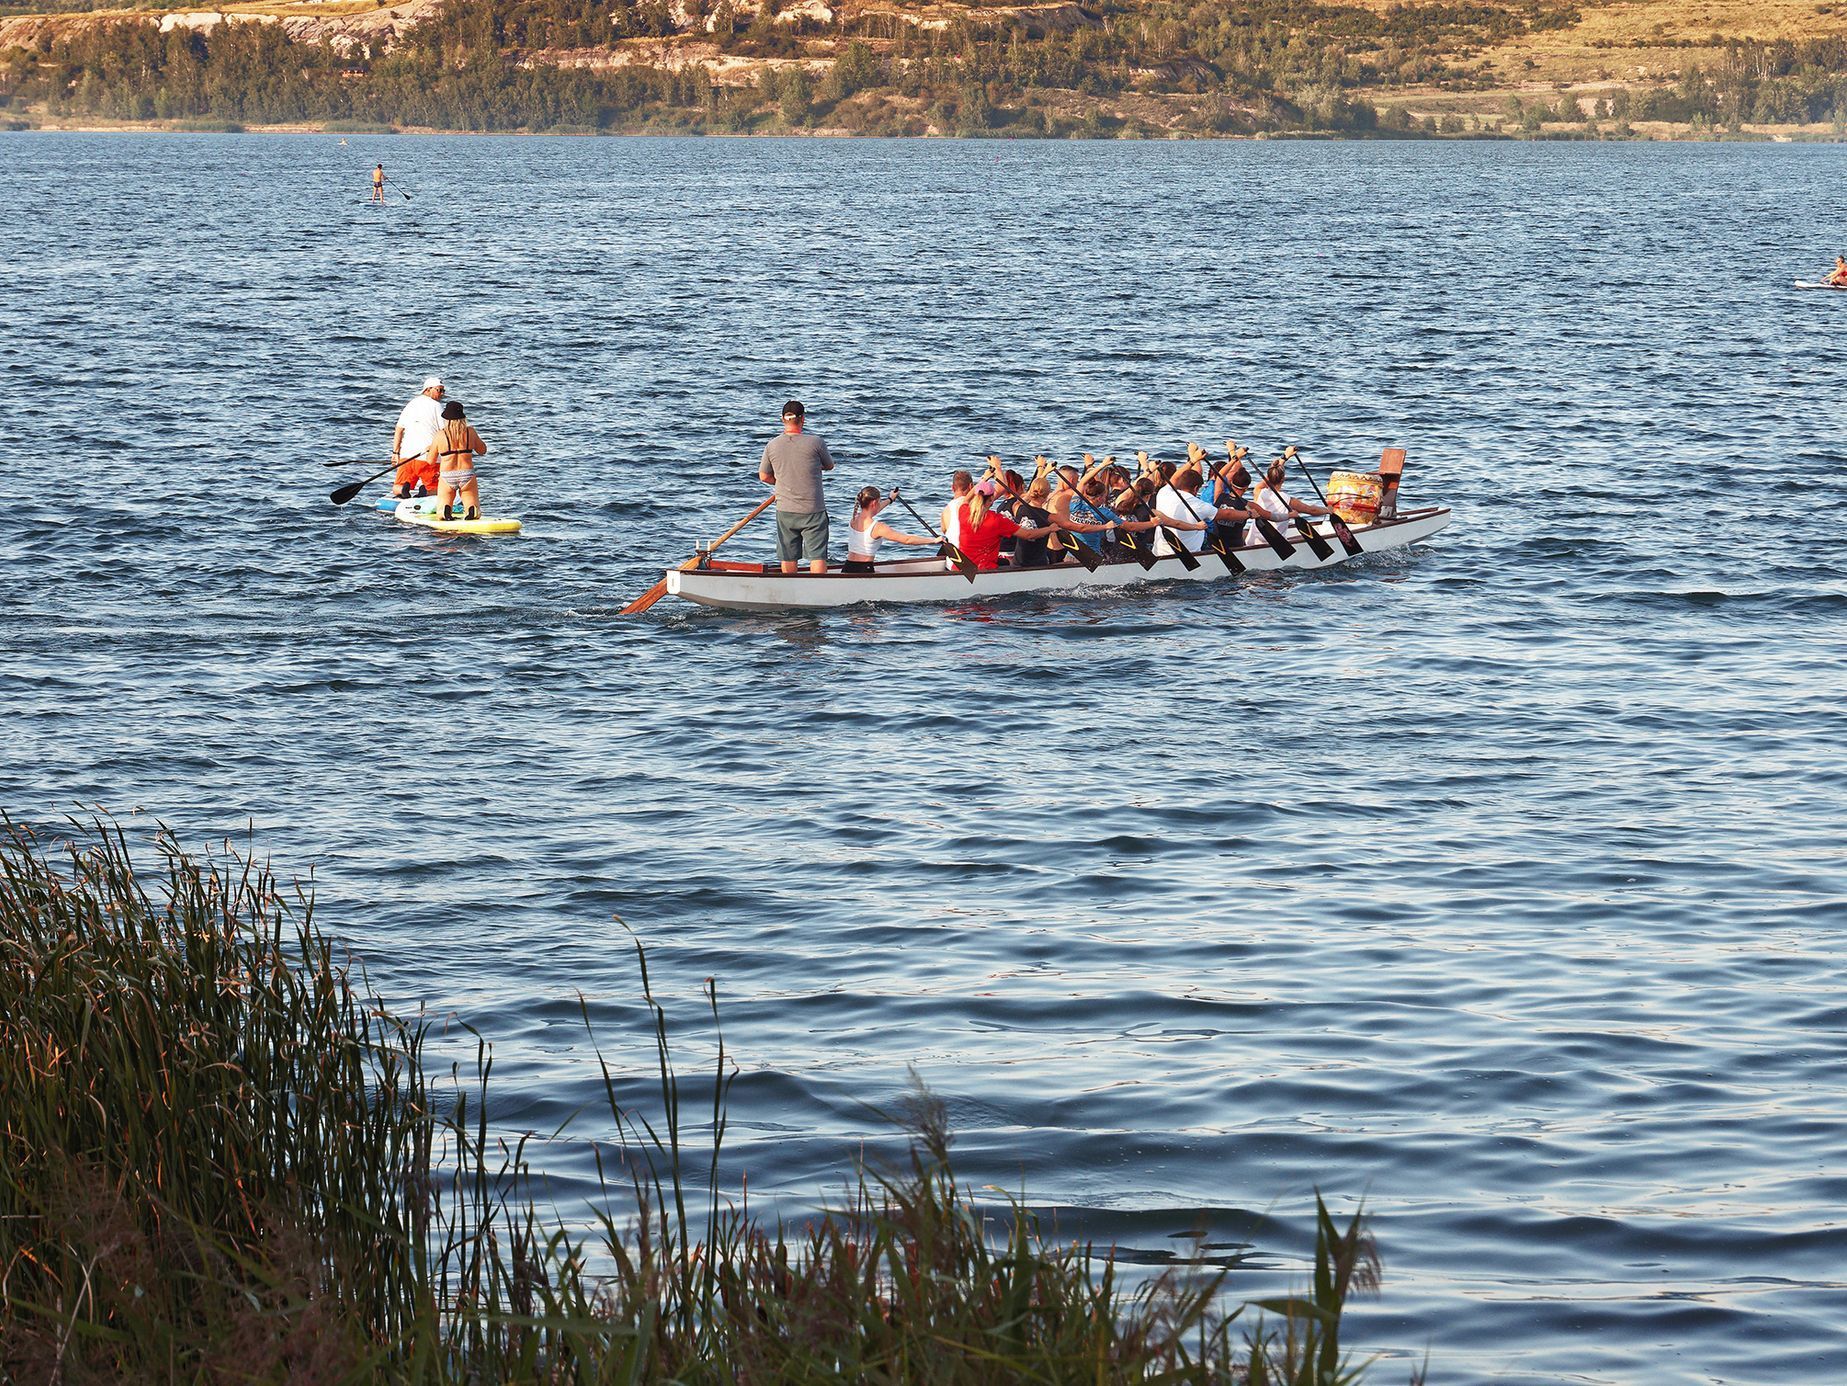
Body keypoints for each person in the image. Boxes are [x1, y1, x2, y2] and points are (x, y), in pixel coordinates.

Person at [758, 399, 834, 575]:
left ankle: (790, 587)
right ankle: (819, 588)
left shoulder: (772, 445)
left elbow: (764, 476)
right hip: (813, 509)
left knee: (788, 556)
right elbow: (829, 465)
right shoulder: (816, 442)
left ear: (782, 419)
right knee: (817, 555)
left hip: (785, 508)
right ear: (803, 419)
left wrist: (783, 482)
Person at [955, 478, 1055, 572]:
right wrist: (1049, 529)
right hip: (984, 569)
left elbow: (966, 500)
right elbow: (1028, 535)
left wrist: (983, 480)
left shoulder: (963, 510)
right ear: (991, 499)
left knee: (1005, 562)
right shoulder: (997, 520)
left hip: (959, 568)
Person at [844, 487, 937, 573]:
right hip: (865, 570)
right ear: (874, 503)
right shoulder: (878, 527)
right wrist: (934, 540)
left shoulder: (854, 519)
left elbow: (872, 510)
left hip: (847, 567)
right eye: (879, 501)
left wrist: (890, 499)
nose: (880, 504)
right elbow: (907, 540)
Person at [423, 400, 487, 521]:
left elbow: (430, 461)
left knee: (443, 504)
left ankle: (445, 511)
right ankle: (472, 510)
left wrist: (429, 450)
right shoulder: (471, 432)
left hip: (447, 475)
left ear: (446, 419)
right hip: (467, 474)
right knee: (470, 500)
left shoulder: (440, 435)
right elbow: (482, 450)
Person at [1249, 456, 1334, 539]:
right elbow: (1312, 510)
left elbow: (1268, 478)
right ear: (1283, 479)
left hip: (1252, 540)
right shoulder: (1288, 500)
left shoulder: (1258, 491)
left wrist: (1283, 460)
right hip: (1274, 543)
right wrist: (1327, 510)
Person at [391, 376, 445, 499]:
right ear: (428, 389)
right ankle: (426, 491)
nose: (442, 394)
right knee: (437, 489)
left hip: (407, 456)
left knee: (397, 486)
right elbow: (444, 432)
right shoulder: (437, 406)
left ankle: (402, 490)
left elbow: (399, 429)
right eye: (439, 390)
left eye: (443, 391)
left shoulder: (410, 404)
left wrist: (395, 452)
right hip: (428, 458)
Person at [1151, 465, 1220, 555]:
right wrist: (1197, 527)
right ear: (1195, 488)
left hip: (1158, 553)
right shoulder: (1201, 506)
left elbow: (1174, 478)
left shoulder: (1163, 492)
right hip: (1189, 555)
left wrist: (1192, 461)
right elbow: (1177, 524)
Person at [940, 470, 974, 560]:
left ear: (952, 487)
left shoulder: (945, 511)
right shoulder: (973, 505)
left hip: (952, 560)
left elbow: (945, 531)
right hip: (972, 560)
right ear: (971, 486)